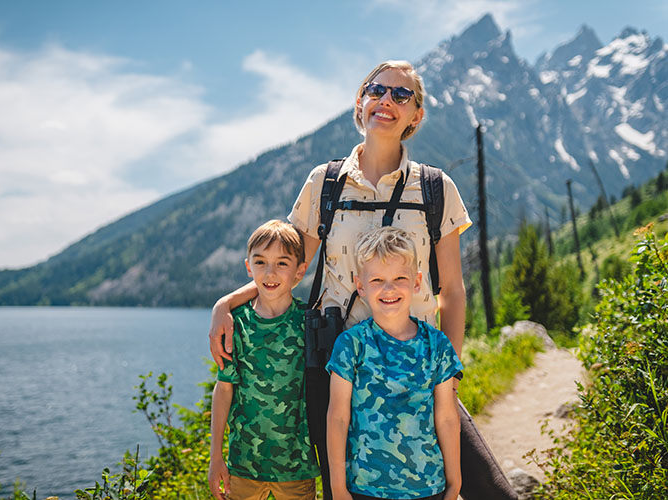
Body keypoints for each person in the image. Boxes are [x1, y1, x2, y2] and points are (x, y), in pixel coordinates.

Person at [209, 60, 518, 500]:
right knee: (344, 488)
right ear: (360, 102)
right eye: (377, 90)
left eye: (401, 95)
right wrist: (227, 303)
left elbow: (452, 289)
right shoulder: (326, 183)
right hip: (339, 366)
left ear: (417, 115)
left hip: (413, 361)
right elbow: (289, 268)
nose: (386, 101)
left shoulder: (434, 188)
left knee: (484, 486)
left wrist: (447, 371)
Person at [327, 227, 462, 500]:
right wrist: (337, 488)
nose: (389, 289)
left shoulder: (437, 345)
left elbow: (447, 417)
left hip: (428, 487)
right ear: (360, 285)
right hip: (364, 488)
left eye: (399, 278)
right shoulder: (351, 344)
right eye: (377, 279)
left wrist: (454, 482)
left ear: (416, 282)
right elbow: (338, 417)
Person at [207, 220, 320, 500]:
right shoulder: (236, 325)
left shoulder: (309, 324)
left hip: (297, 468)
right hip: (243, 466)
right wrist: (215, 456)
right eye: (260, 262)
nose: (270, 273)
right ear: (249, 267)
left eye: (282, 263)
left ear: (300, 271)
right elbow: (224, 389)